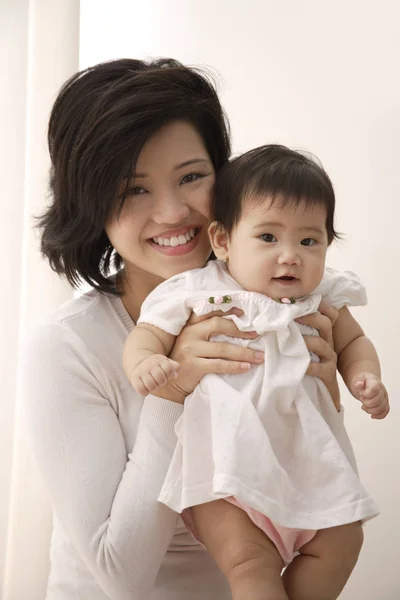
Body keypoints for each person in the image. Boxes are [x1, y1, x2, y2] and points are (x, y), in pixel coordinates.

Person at [22, 59, 342, 600]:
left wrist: (327, 386)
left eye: (192, 177)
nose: (173, 212)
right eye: (132, 190)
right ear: (91, 204)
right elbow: (118, 573)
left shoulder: (274, 308)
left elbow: (305, 496)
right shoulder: (68, 346)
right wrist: (171, 393)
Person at [123, 144, 389, 600]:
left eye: (309, 241)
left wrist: (366, 377)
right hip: (225, 470)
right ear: (223, 241)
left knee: (344, 541)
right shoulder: (200, 291)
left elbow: (354, 343)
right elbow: (146, 335)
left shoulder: (322, 296)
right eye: (268, 238)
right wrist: (147, 363)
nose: (290, 256)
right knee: (250, 563)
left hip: (309, 464)